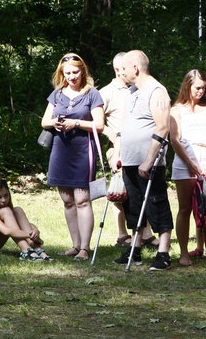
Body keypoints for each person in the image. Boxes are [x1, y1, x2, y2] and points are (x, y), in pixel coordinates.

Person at [112, 50, 174, 271]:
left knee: (156, 203)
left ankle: (163, 252)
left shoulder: (157, 91)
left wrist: (149, 161)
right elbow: (124, 126)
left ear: (135, 68)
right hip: (129, 161)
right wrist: (117, 153)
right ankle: (135, 249)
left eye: (125, 69)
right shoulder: (132, 91)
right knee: (134, 205)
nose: (122, 73)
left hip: (149, 162)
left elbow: (163, 127)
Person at [41, 53, 104, 261]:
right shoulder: (57, 94)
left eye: (75, 72)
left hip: (83, 151)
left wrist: (76, 123)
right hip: (61, 150)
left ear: (83, 71)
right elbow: (44, 122)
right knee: (67, 200)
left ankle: (85, 248)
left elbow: (100, 125)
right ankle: (75, 245)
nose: (71, 76)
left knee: (82, 199)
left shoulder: (92, 94)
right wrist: (56, 123)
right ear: (62, 73)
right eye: (67, 73)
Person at [100, 52, 158, 249]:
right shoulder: (106, 92)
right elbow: (98, 123)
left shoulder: (139, 88)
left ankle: (144, 233)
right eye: (123, 69)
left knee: (139, 191)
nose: (126, 72)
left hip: (138, 149)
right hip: (117, 149)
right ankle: (123, 234)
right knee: (122, 192)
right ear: (118, 70)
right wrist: (114, 136)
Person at [169, 69, 206, 266]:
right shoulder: (177, 110)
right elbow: (175, 139)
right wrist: (190, 163)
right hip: (185, 163)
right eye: (197, 87)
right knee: (185, 208)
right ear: (187, 86)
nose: (200, 91)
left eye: (203, 88)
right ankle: (184, 253)